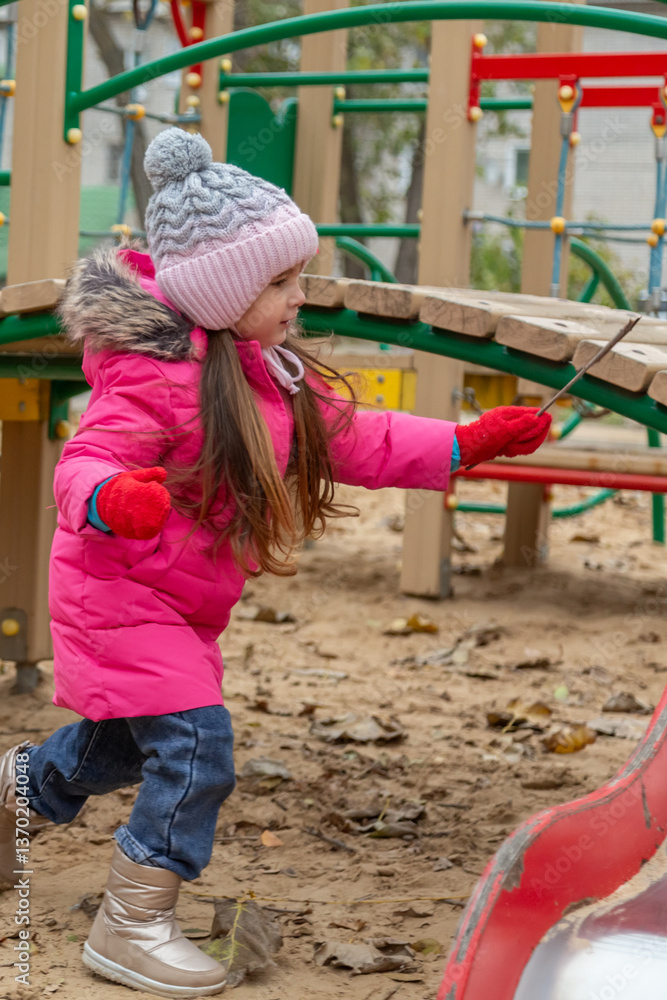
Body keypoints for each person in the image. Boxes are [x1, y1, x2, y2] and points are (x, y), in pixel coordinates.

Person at [0, 128, 551, 998]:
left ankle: (15, 790)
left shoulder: (259, 368)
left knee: (118, 750)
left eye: (297, 278)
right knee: (195, 746)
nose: (301, 296)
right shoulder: (151, 377)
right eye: (281, 282)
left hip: (178, 601)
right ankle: (132, 922)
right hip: (117, 589)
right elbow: (84, 461)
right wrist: (115, 498)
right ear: (218, 292)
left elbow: (356, 436)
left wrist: (462, 445)